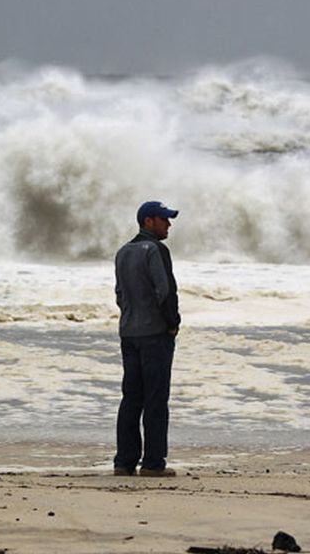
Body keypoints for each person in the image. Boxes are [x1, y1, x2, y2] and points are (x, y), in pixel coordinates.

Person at [113, 200, 181, 477]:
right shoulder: (156, 249)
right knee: (155, 399)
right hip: (154, 334)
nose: (169, 224)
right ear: (148, 221)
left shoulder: (122, 252)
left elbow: (119, 294)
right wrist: (172, 323)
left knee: (131, 398)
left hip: (129, 333)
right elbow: (165, 291)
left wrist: (131, 317)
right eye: (164, 219)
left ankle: (124, 462)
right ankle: (153, 463)